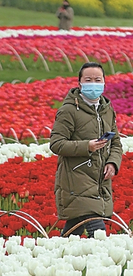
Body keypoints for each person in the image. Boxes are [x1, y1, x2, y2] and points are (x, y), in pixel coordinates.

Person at [49, 61, 122, 237]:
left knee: (73, 230)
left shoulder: (106, 109)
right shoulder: (69, 111)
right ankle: (103, 263)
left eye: (98, 80)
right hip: (76, 178)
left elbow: (116, 142)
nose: (93, 84)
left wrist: (113, 163)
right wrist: (86, 146)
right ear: (80, 83)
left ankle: (56, 255)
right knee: (97, 231)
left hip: (99, 180)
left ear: (104, 82)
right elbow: (56, 143)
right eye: (88, 80)